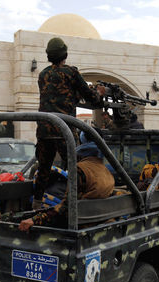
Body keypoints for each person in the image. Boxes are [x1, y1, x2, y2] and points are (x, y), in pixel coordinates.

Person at [33, 37, 106, 209]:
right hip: (63, 129)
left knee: (43, 169)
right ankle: (75, 206)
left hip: (44, 129)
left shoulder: (43, 74)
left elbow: (58, 94)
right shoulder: (71, 73)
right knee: (76, 168)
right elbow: (93, 99)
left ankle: (36, 204)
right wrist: (100, 93)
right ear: (65, 54)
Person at [19, 132, 114, 231]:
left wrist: (35, 220)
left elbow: (65, 208)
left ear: (82, 144)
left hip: (82, 225)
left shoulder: (80, 170)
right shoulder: (106, 170)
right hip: (99, 221)